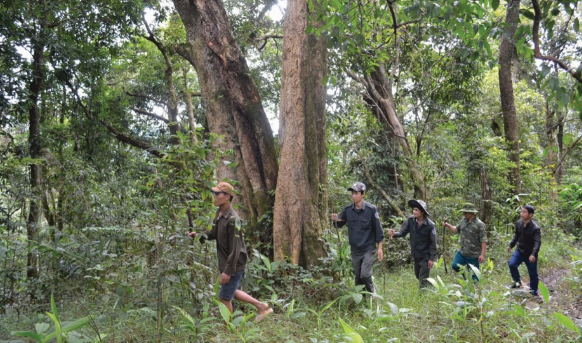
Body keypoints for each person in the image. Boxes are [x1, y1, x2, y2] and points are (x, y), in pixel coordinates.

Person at [188, 182, 273, 322]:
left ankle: (228, 328)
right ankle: (261, 306)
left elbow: (236, 248)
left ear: (227, 197)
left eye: (217, 194)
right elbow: (213, 233)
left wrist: (228, 271)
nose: (214, 196)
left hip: (234, 263)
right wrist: (198, 236)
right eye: (214, 193)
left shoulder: (233, 219)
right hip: (228, 261)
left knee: (224, 297)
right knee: (230, 291)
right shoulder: (220, 213)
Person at [331, 182, 384, 297]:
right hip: (355, 249)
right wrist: (335, 220)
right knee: (358, 276)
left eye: (356, 193)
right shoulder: (347, 210)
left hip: (368, 248)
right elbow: (338, 225)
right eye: (352, 193)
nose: (353, 195)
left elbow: (378, 230)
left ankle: (372, 293)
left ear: (363, 194)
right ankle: (361, 299)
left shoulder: (371, 210)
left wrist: (380, 248)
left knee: (364, 274)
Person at [389, 199, 437, 288]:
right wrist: (394, 234)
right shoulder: (410, 221)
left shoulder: (430, 225)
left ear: (422, 212)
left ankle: (422, 297)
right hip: (416, 254)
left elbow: (433, 243)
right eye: (413, 209)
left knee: (422, 278)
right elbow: (402, 232)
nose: (414, 212)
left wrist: (431, 258)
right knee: (418, 276)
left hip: (426, 255)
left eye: (416, 210)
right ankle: (432, 287)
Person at [442, 203, 488, 281]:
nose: (464, 214)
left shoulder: (479, 224)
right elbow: (456, 229)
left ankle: (475, 290)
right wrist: (448, 225)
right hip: (462, 252)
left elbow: (484, 240)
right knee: (455, 265)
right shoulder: (463, 221)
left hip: (473, 254)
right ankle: (466, 278)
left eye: (466, 212)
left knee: (475, 278)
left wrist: (482, 255)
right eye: (464, 212)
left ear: (472, 212)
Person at [507, 204, 541, 296]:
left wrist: (533, 254)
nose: (521, 214)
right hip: (519, 250)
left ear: (530, 215)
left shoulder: (535, 228)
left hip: (530, 253)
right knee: (512, 264)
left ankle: (534, 292)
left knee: (533, 273)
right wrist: (511, 245)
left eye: (524, 212)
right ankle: (517, 282)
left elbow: (537, 243)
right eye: (521, 211)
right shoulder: (518, 223)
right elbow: (516, 236)